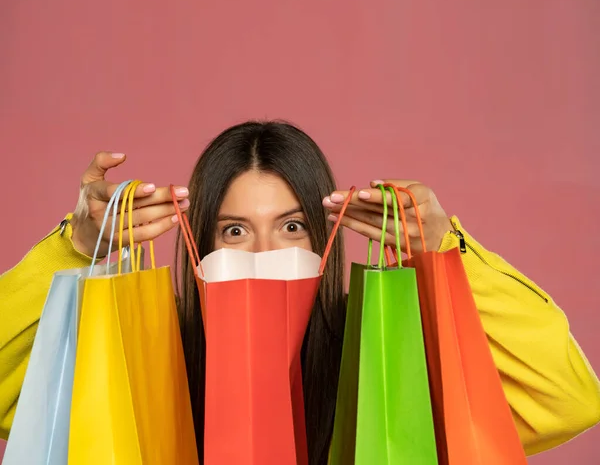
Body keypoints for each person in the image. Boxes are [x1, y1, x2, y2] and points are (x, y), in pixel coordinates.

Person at [1, 120, 599, 464]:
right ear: (196, 248)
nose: (264, 256)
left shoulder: (387, 358)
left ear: (327, 238)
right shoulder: (143, 355)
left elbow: (568, 399)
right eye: (234, 231)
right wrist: (76, 248)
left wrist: (445, 253)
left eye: (292, 228)